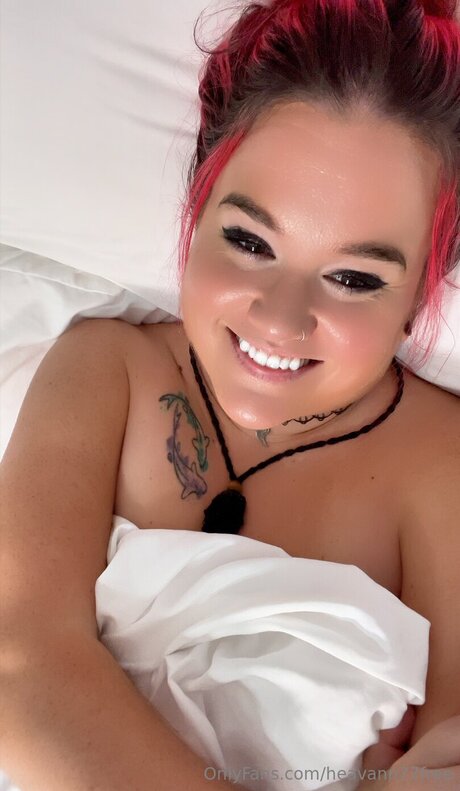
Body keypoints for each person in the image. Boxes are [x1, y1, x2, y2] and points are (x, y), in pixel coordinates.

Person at [1, 0, 459, 789]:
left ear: (420, 292)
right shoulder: (103, 371)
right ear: (197, 210)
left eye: (354, 278)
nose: (279, 319)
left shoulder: (442, 461)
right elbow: (17, 667)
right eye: (249, 241)